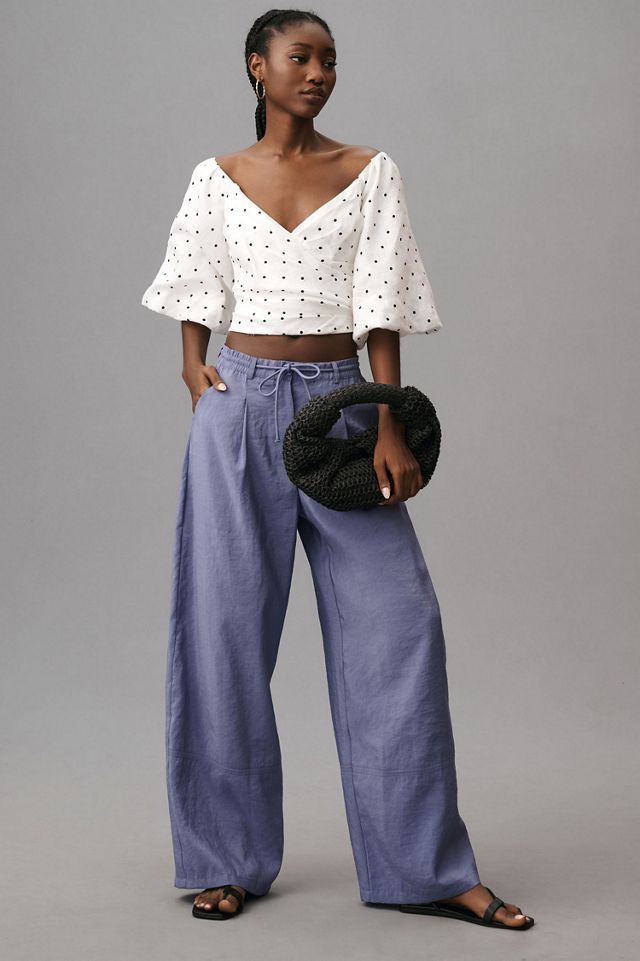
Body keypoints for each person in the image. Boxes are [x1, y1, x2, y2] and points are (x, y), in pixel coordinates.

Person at [140, 9, 533, 930]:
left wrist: (387, 418)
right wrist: (193, 365)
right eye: (300, 57)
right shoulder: (215, 177)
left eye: (329, 60)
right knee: (222, 632)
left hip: (343, 411)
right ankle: (225, 859)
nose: (318, 72)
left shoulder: (369, 171)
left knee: (399, 629)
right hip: (238, 408)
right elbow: (194, 280)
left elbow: (380, 302)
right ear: (258, 66)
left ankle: (426, 868)